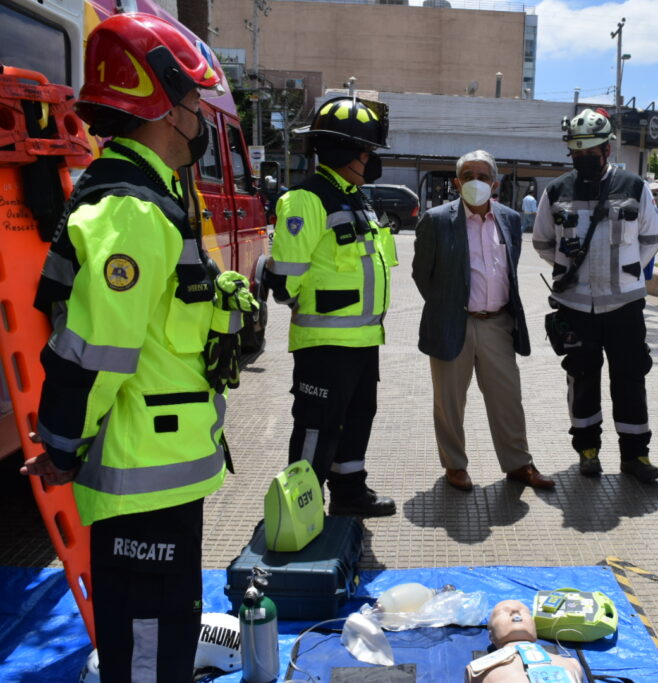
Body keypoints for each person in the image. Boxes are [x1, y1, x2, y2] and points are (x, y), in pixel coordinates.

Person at [22, 14, 251, 679]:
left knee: (163, 630)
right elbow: (96, 351)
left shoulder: (147, 202)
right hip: (140, 480)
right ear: (164, 105)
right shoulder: (132, 212)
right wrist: (60, 443)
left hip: (158, 475)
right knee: (150, 648)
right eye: (192, 103)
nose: (199, 119)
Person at [263, 95, 398, 517]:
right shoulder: (305, 201)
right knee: (317, 426)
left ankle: (349, 492)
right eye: (366, 152)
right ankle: (297, 509)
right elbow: (285, 283)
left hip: (363, 339)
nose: (371, 160)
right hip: (323, 342)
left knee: (358, 418)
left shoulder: (358, 199)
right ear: (343, 151)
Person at [533, 108, 658, 482]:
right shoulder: (556, 190)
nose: (584, 160)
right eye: (577, 155)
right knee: (581, 377)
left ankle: (635, 456)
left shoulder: (634, 186)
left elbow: (651, 238)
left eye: (590, 153)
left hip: (624, 306)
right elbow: (543, 241)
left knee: (630, 379)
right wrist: (572, 270)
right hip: (575, 306)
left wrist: (624, 272)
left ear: (607, 149)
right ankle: (587, 451)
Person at [412, 150, 553, 492]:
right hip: (452, 322)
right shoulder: (436, 219)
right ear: (457, 183)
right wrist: (449, 305)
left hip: (498, 324)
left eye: (484, 176)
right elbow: (422, 275)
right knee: (449, 402)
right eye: (469, 175)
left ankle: (518, 463)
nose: (476, 181)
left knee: (507, 397)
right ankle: (455, 465)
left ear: (495, 182)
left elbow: (510, 270)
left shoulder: (510, 219)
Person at [465, 600, 584, 682]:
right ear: (491, 635)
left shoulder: (573, 664)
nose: (516, 611)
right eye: (503, 612)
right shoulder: (476, 670)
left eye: (525, 612)